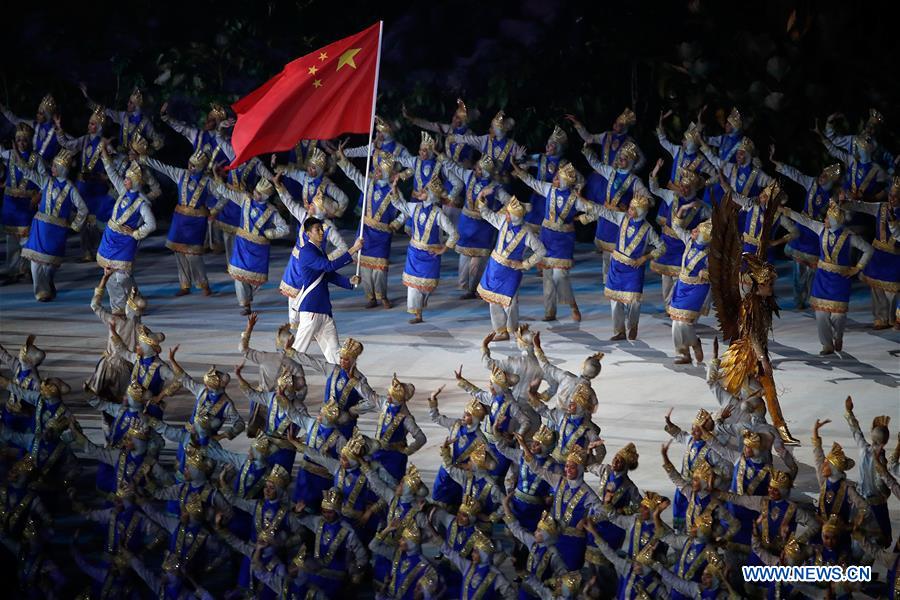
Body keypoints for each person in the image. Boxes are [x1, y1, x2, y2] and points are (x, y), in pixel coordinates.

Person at [781, 200, 873, 354]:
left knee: (838, 316)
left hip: (839, 280)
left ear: (834, 220)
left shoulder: (849, 237)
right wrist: (787, 211)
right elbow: (805, 221)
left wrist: (857, 269)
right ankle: (826, 344)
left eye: (827, 218)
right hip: (822, 278)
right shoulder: (820, 229)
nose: (824, 220)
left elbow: (868, 249)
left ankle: (838, 337)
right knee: (821, 315)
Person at [579, 192, 665, 340]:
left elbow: (662, 247)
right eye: (630, 207)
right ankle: (619, 331)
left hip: (634, 269)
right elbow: (604, 211)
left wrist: (646, 257)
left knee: (634, 301)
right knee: (615, 300)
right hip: (617, 266)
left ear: (640, 212)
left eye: (632, 209)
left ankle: (633, 325)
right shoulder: (622, 218)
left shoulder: (648, 230)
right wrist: (584, 201)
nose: (629, 210)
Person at [513, 161, 587, 322]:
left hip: (563, 241)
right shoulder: (549, 189)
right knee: (547, 277)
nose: (554, 179)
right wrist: (518, 169)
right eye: (555, 177)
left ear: (565, 181)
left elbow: (594, 211)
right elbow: (532, 182)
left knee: (560, 276)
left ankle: (573, 305)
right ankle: (550, 312)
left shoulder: (575, 199)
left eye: (557, 178)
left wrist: (580, 218)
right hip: (547, 236)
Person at [769, 146, 842, 308]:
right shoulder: (811, 183)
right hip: (803, 227)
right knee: (798, 267)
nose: (822, 177)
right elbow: (796, 175)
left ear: (831, 181)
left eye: (825, 177)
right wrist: (777, 163)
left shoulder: (834, 196)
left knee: (813, 270)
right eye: (822, 174)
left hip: (817, 232)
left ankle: (810, 297)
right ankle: (798, 298)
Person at [273, 174, 349, 325]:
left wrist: (325, 260)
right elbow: (290, 203)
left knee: (307, 295)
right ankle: (294, 325)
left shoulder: (327, 228)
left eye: (312, 206)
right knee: (292, 296)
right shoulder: (304, 217)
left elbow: (343, 247)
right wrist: (279, 186)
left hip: (312, 266)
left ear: (318, 211)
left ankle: (309, 326)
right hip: (295, 263)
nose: (308, 206)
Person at [209, 177, 289, 314]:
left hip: (258, 249)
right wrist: (218, 183)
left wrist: (271, 233)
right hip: (242, 245)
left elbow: (285, 229)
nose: (255, 194)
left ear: (265, 196)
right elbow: (228, 193)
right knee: (238, 275)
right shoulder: (245, 200)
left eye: (258, 193)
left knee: (255, 280)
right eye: (256, 191)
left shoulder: (271, 211)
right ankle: (245, 304)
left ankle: (248, 297)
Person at [141, 150, 216, 296]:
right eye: (190, 164)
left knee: (194, 255)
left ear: (200, 167)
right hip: (180, 219)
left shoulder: (208, 182)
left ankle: (203, 284)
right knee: (179, 253)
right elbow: (163, 167)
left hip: (196, 221)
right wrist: (145, 159)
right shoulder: (181, 174)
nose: (190, 167)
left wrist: (214, 210)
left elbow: (222, 195)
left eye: (194, 166)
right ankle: (185, 285)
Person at [288, 217, 363, 362]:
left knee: (335, 354)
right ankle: (284, 379)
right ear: (308, 233)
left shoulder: (319, 251)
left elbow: (328, 275)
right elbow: (328, 266)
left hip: (323, 311)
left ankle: (340, 380)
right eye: (317, 229)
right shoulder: (307, 252)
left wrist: (348, 281)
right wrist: (353, 249)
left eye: (322, 228)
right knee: (296, 352)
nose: (322, 232)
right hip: (311, 310)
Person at [336, 146, 403, 308]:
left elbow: (405, 210)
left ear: (387, 172)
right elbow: (353, 175)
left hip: (382, 235)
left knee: (380, 269)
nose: (377, 171)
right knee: (365, 268)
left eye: (381, 169)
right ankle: (371, 296)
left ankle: (383, 296)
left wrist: (396, 223)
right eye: (376, 168)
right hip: (366, 231)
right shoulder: (368, 184)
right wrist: (343, 159)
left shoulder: (394, 190)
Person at [18, 149, 88, 301]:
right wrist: (19, 162)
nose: (53, 169)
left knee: (51, 263)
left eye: (55, 166)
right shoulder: (47, 181)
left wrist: (75, 225)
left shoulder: (70, 188)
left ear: (62, 169)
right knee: (35, 260)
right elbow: (30, 174)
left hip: (57, 231)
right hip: (41, 227)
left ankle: (47, 282)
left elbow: (83, 208)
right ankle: (40, 291)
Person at [390, 175, 459, 323]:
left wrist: (443, 249)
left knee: (427, 286)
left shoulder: (438, 213)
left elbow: (454, 234)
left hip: (430, 254)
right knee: (413, 287)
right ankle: (417, 314)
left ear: (432, 194)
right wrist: (394, 187)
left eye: (426, 190)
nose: (421, 191)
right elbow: (398, 203)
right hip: (414, 252)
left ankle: (420, 308)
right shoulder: (415, 207)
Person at [97, 143, 156, 314]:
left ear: (136, 181)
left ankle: (135, 300)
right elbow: (112, 174)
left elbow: (151, 224)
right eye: (126, 178)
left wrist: (136, 233)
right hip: (110, 237)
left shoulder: (142, 203)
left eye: (128, 179)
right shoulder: (123, 190)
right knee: (108, 275)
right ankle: (118, 308)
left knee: (122, 277)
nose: (125, 180)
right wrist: (104, 155)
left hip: (125, 241)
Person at [476, 196, 546, 339]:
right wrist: (482, 204)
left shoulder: (526, 233)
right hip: (494, 268)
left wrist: (524, 264)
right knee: (493, 300)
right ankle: (501, 331)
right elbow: (488, 215)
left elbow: (541, 251)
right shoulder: (502, 221)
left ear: (515, 216)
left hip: (511, 271)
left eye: (508, 213)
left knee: (510, 301)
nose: (505, 214)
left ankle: (513, 329)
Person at [580, 140, 649, 284]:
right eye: (620, 158)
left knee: (617, 252)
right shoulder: (611, 172)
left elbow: (648, 199)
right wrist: (587, 150)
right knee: (606, 252)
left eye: (623, 159)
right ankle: (607, 281)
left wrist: (630, 206)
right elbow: (596, 164)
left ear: (630, 162)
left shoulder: (635, 181)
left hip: (620, 218)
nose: (620, 161)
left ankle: (618, 279)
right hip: (607, 216)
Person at [439, 154, 508, 298]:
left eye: (478, 168)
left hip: (482, 228)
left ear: (484, 171)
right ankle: (464, 286)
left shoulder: (494, 188)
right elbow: (455, 167)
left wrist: (499, 214)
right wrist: (440, 155)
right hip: (466, 224)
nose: (475, 169)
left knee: (478, 261)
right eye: (476, 167)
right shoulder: (469, 176)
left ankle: (473, 289)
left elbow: (507, 201)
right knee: (464, 256)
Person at [53, 107, 112, 261]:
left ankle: (100, 250)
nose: (89, 126)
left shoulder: (105, 144)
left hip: (97, 187)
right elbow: (67, 144)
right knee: (84, 218)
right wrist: (59, 128)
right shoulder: (85, 139)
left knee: (97, 220)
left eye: (93, 124)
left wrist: (101, 176)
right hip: (82, 186)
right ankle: (87, 251)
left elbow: (114, 165)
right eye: (89, 123)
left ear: (99, 126)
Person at [841, 177, 900, 329]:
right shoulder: (881, 207)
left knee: (893, 291)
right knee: (876, 288)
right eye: (890, 195)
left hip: (895, 255)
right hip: (878, 254)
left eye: (895, 196)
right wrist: (845, 203)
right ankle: (880, 318)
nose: (892, 199)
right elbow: (862, 206)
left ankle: (892, 318)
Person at [648, 161, 709, 307]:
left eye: (687, 187)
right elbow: (655, 189)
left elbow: (714, 219)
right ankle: (668, 305)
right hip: (667, 242)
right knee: (666, 276)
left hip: (683, 244)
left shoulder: (700, 206)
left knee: (678, 276)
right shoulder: (672, 196)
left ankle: (675, 305)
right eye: (682, 186)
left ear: (693, 188)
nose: (683, 189)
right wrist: (655, 171)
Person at [354, 373, 426, 481]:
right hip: (378, 452)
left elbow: (421, 438)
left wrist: (408, 450)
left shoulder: (406, 418)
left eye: (390, 395)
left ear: (397, 399)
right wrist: (355, 382)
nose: (387, 396)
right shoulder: (385, 403)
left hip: (393, 459)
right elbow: (370, 396)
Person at [844, 396, 892, 545]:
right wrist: (888, 493)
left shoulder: (863, 449)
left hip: (859, 503)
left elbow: (856, 432)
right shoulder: (881, 460)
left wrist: (849, 412)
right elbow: (880, 484)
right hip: (876, 507)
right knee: (877, 544)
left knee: (857, 540)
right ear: (885, 442)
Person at [666, 220, 712, 363]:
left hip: (697, 289)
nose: (694, 230)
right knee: (676, 321)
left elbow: (720, 273)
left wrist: (706, 272)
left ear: (704, 236)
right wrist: (683, 209)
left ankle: (694, 344)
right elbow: (675, 226)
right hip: (681, 286)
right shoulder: (689, 240)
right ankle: (683, 353)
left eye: (697, 230)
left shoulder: (711, 254)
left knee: (685, 323)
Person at [0, 124, 41, 283]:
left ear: (29, 141)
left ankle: (27, 270)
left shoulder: (36, 159)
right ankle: (12, 270)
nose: (21, 143)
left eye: (24, 140)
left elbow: (44, 180)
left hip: (26, 205)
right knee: (11, 241)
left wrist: (39, 196)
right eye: (18, 140)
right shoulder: (9, 154)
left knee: (26, 241)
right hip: (10, 204)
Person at [81, 84, 164, 152]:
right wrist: (88, 98)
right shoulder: (124, 115)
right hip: (120, 153)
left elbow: (158, 141)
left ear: (137, 106)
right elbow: (104, 111)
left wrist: (146, 149)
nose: (128, 104)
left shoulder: (146, 122)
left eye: (131, 103)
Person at [447, 110, 526, 177]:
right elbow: (470, 139)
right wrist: (455, 138)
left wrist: (513, 174)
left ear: (506, 128)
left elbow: (524, 165)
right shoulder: (486, 139)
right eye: (492, 126)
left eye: (493, 127)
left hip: (499, 184)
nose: (490, 129)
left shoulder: (513, 145)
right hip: (480, 179)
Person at [520, 125, 570, 231]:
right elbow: (524, 160)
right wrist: (520, 157)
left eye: (552, 145)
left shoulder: (563, 163)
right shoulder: (540, 157)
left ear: (558, 147)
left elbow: (573, 181)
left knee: (547, 229)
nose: (548, 146)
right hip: (537, 197)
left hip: (551, 200)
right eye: (548, 144)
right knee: (529, 226)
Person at [403, 98, 476, 166]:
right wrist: (412, 119)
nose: (453, 118)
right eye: (454, 115)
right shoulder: (448, 129)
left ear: (464, 121)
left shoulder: (470, 135)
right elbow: (429, 125)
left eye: (457, 117)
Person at [567, 107, 646, 170]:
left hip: (617, 179)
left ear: (625, 127)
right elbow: (589, 138)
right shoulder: (606, 135)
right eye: (615, 123)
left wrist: (630, 170)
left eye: (619, 125)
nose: (615, 126)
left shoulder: (630, 142)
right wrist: (577, 123)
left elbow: (642, 160)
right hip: (602, 174)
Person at [160, 101, 231, 169]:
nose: (206, 122)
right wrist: (166, 118)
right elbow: (182, 128)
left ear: (219, 123)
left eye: (211, 120)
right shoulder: (199, 135)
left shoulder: (227, 141)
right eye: (207, 118)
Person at [0, 94, 61, 161]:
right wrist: (2, 109)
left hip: (45, 167)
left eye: (40, 113)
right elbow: (16, 120)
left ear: (47, 116)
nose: (37, 115)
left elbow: (71, 144)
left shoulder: (57, 132)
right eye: (37, 112)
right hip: (28, 162)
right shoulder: (34, 124)